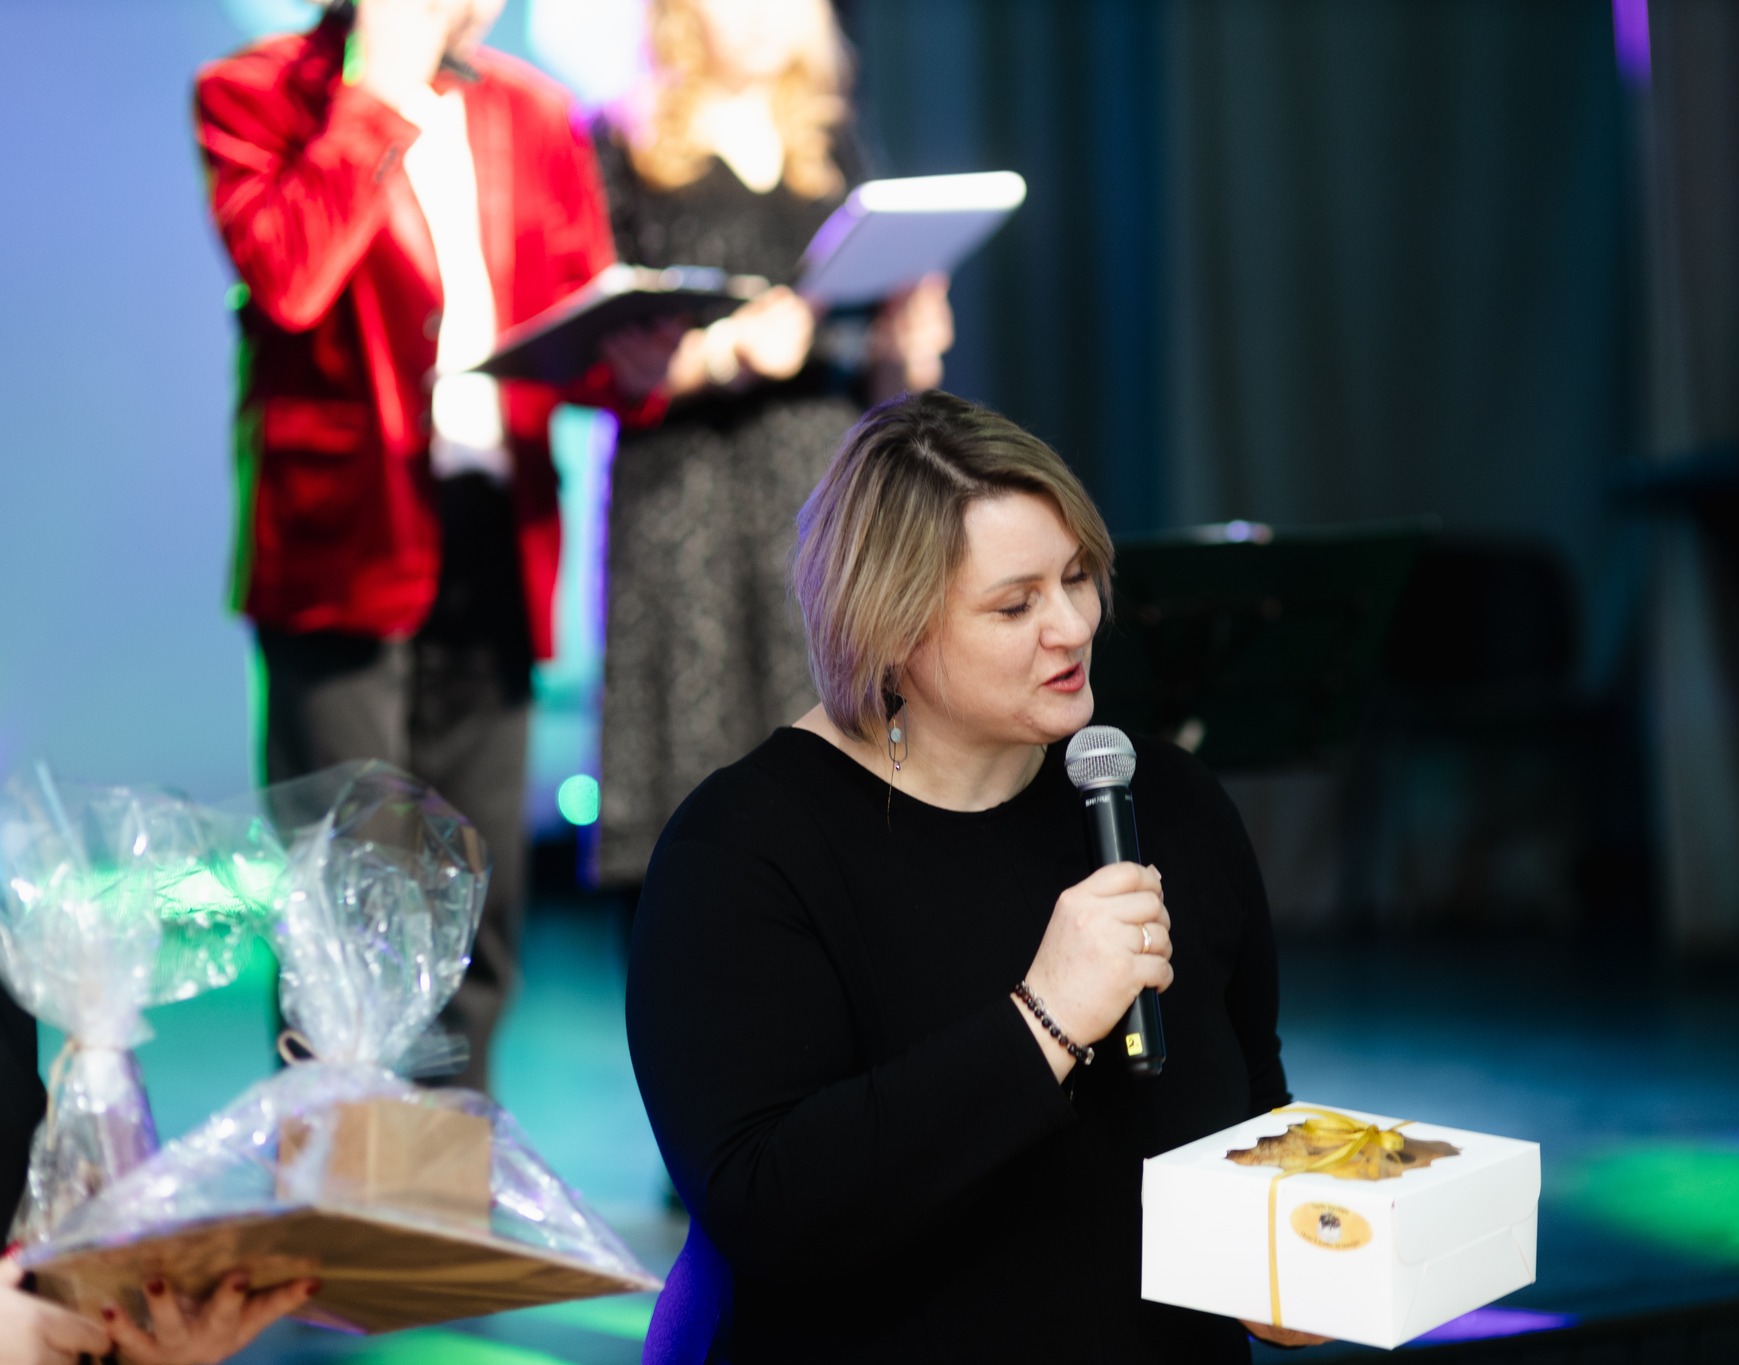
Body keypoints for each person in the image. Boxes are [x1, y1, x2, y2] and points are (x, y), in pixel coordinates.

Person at [627, 392, 1299, 1362]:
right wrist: (1045, 1018)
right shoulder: (743, 850)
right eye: (1015, 605)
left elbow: (1256, 1110)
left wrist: (1291, 1264)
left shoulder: (1169, 802)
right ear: (890, 630)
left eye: (1077, 576)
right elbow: (766, 1207)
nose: (1071, 625)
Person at [193, 0, 675, 1091]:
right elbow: (292, 279)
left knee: (475, 887)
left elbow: (576, 313)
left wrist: (632, 365)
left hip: (494, 527)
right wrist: (377, 94)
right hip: (341, 541)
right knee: (342, 893)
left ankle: (452, 1162)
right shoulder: (254, 93)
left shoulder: (531, 111)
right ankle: (334, 1167)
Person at [589, 0, 954, 891]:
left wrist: (906, 351)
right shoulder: (622, 146)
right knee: (693, 788)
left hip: (817, 485)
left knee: (835, 791)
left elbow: (876, 363)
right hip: (684, 497)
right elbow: (596, 357)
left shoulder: (833, 146)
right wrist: (725, 355)